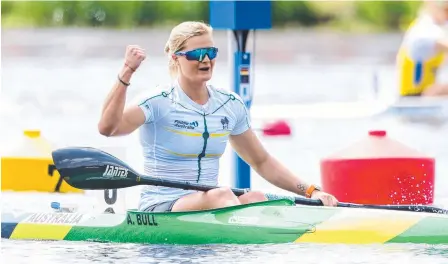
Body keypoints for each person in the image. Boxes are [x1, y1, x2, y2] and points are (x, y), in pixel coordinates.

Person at [98, 21, 339, 212]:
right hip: (162, 205)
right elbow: (108, 128)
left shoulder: (229, 104)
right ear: (176, 58)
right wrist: (126, 72)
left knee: (256, 197)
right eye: (196, 54)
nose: (205, 60)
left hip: (212, 203)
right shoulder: (158, 101)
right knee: (224, 194)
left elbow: (262, 162)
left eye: (211, 52)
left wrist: (311, 191)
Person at [396, 0, 448, 97]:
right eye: (445, 10)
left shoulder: (440, 28)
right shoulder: (423, 28)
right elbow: (437, 43)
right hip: (413, 97)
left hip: (426, 97)